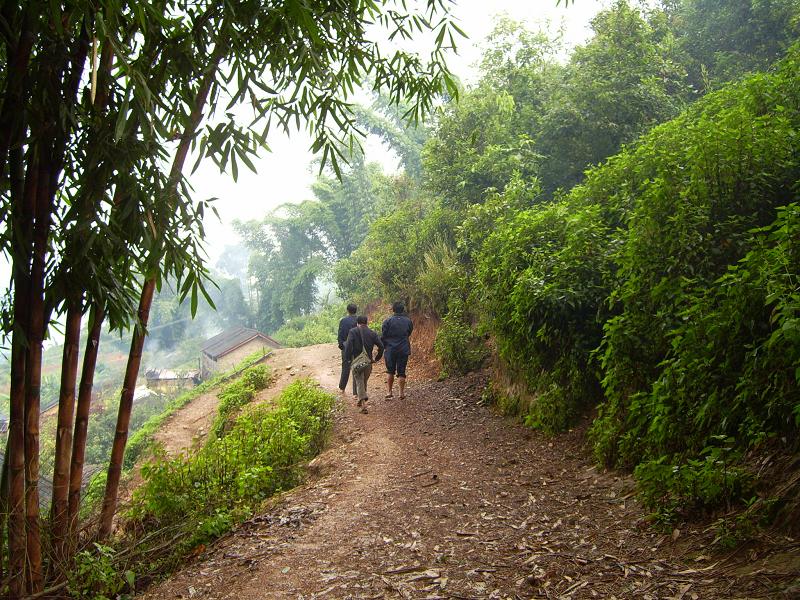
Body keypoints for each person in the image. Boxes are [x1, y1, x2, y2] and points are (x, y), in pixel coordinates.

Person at [344, 315, 384, 413]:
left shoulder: (353, 331)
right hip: (368, 361)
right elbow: (381, 346)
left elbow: (348, 346)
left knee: (359, 381)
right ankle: (361, 400)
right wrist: (376, 358)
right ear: (367, 322)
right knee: (363, 381)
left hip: (357, 360)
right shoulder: (372, 333)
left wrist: (348, 359)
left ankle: (363, 405)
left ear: (357, 323)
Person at [381, 301, 413, 400]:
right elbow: (409, 332)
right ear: (403, 310)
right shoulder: (408, 321)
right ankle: (401, 393)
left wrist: (384, 345)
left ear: (393, 310)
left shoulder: (387, 321)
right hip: (403, 348)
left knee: (390, 371)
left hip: (390, 349)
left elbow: (383, 335)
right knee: (402, 371)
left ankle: (389, 391)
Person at [337, 303, 358, 395]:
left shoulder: (343, 321)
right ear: (356, 310)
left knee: (345, 367)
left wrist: (341, 345)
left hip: (346, 346)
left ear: (347, 310)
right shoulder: (359, 320)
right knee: (356, 368)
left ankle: (342, 388)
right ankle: (355, 392)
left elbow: (340, 334)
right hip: (357, 347)